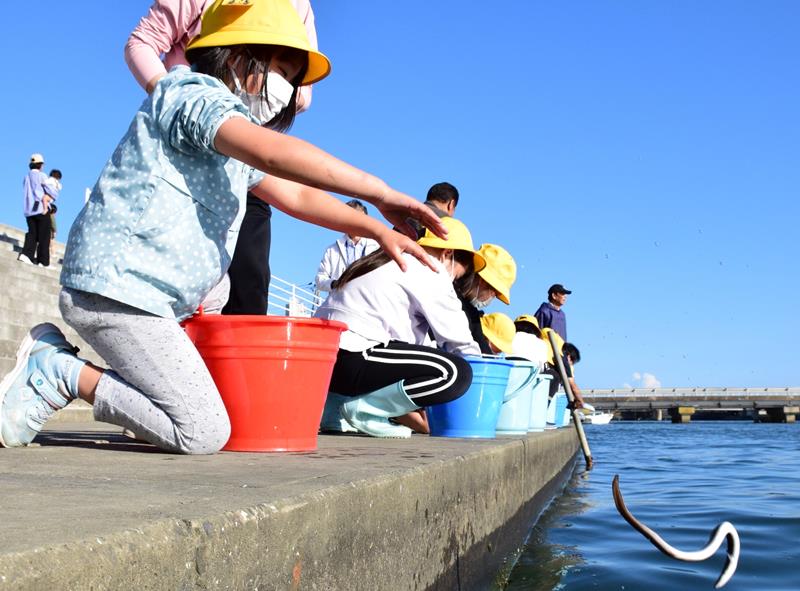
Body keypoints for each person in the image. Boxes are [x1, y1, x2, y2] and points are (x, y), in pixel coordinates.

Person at [0, 0, 445, 454]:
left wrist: (375, 229)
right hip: (115, 290)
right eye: (280, 70)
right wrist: (380, 192)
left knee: (209, 398)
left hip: (151, 301)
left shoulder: (234, 137)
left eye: (292, 80)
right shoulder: (187, 93)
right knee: (202, 430)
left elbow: (294, 194)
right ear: (235, 55)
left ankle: (85, 379)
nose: (285, 88)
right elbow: (274, 155)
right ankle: (59, 372)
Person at [125, 0, 319, 316]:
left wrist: (268, 88)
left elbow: (302, 93)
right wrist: (182, 102)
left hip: (244, 161)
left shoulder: (300, 6)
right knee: (171, 280)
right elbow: (142, 42)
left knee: (249, 285)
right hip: (184, 156)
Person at [315, 217, 485, 438]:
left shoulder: (386, 259)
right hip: (353, 356)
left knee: (415, 358)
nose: (453, 281)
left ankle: (333, 407)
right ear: (447, 254)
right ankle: (365, 410)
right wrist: (482, 372)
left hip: (324, 361)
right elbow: (459, 340)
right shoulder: (430, 270)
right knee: (456, 373)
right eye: (458, 276)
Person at [455, 243, 516, 354]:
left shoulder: (472, 314)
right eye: (494, 293)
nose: (492, 298)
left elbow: (484, 353)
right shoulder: (447, 294)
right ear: (484, 281)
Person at [314, 200, 380, 294]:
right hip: (341, 302)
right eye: (350, 218)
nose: (355, 222)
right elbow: (320, 279)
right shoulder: (332, 250)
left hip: (368, 301)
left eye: (359, 218)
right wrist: (334, 284)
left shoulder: (377, 247)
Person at [19, 154, 57, 267]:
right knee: (44, 236)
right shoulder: (42, 176)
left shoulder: (26, 177)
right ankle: (43, 261)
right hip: (41, 209)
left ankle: (26, 254)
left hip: (29, 210)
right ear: (40, 165)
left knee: (32, 233)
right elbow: (51, 190)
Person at [46, 170, 63, 256]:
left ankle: (51, 253)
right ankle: (52, 254)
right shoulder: (52, 181)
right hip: (50, 231)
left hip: (49, 201)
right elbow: (53, 222)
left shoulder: (53, 182)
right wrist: (55, 230)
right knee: (51, 243)